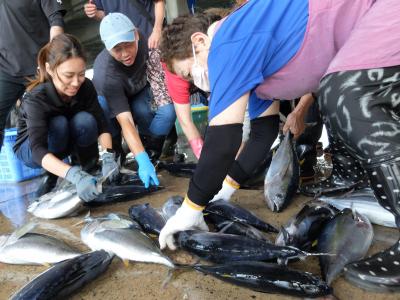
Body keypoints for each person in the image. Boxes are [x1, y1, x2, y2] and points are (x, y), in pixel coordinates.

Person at [158, 0, 400, 269]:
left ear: (200, 41)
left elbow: (223, 141)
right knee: (344, 99)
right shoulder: (254, 72)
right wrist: (226, 190)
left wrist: (190, 209)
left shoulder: (227, 41)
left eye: (189, 72)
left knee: (347, 94)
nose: (195, 81)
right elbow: (263, 135)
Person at [13, 34, 119, 202]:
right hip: (32, 149)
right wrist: (73, 175)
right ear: (49, 69)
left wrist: (108, 156)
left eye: (81, 74)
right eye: (68, 75)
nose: (76, 82)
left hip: (65, 137)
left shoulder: (86, 86)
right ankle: (53, 174)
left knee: (85, 120)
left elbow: (101, 126)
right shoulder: (37, 98)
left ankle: (87, 168)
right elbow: (38, 149)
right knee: (58, 124)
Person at [93, 13, 176, 188]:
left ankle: (149, 149)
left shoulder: (146, 41)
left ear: (137, 35)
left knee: (145, 110)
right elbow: (126, 121)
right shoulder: (105, 74)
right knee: (104, 107)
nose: (125, 54)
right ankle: (118, 153)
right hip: (112, 99)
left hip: (138, 89)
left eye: (128, 45)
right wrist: (141, 159)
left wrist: (144, 155)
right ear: (107, 48)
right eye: (117, 49)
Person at [0, 0, 65, 150]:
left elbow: (56, 19)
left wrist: (51, 58)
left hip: (40, 65)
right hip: (6, 69)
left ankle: (83, 164)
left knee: (61, 116)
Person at [84, 0, 165, 49]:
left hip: (150, 38)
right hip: (124, 44)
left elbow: (159, 2)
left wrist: (157, 31)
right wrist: (94, 12)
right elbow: (106, 16)